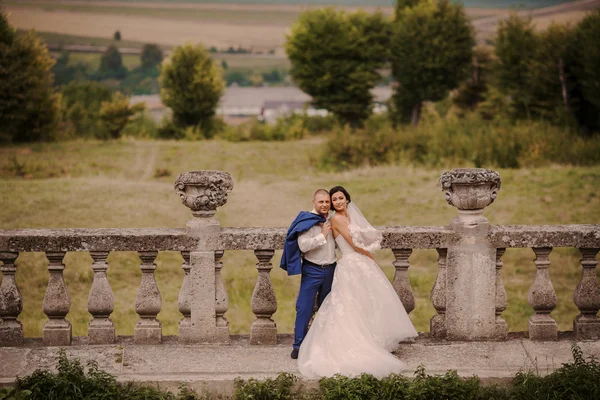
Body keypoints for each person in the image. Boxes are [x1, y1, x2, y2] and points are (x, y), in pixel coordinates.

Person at [297, 186, 418, 378]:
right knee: (348, 303)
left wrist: (370, 244)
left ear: (347, 199)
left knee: (366, 302)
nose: (336, 202)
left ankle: (373, 339)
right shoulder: (335, 218)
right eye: (333, 199)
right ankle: (351, 343)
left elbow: (363, 234)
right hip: (351, 263)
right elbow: (352, 243)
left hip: (359, 262)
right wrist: (370, 256)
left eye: (340, 198)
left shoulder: (351, 217)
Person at [280, 189, 337, 360]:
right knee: (304, 308)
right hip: (312, 270)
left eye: (327, 202)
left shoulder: (333, 220)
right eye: (321, 202)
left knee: (327, 307)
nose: (325, 205)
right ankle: (298, 346)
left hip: (331, 269)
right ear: (314, 203)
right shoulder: (307, 220)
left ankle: (324, 343)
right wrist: (323, 235)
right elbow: (303, 246)